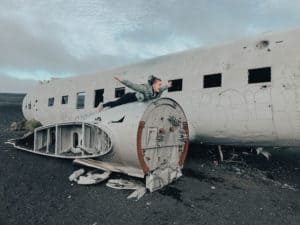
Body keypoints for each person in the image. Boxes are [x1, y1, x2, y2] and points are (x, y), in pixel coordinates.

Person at [97, 75, 172, 112]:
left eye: (160, 85)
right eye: (159, 84)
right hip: (130, 97)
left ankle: (107, 108)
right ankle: (103, 105)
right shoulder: (145, 89)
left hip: (134, 101)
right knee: (117, 103)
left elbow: (163, 88)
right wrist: (121, 80)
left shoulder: (157, 91)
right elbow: (133, 85)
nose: (160, 86)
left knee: (117, 106)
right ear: (153, 85)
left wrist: (168, 85)